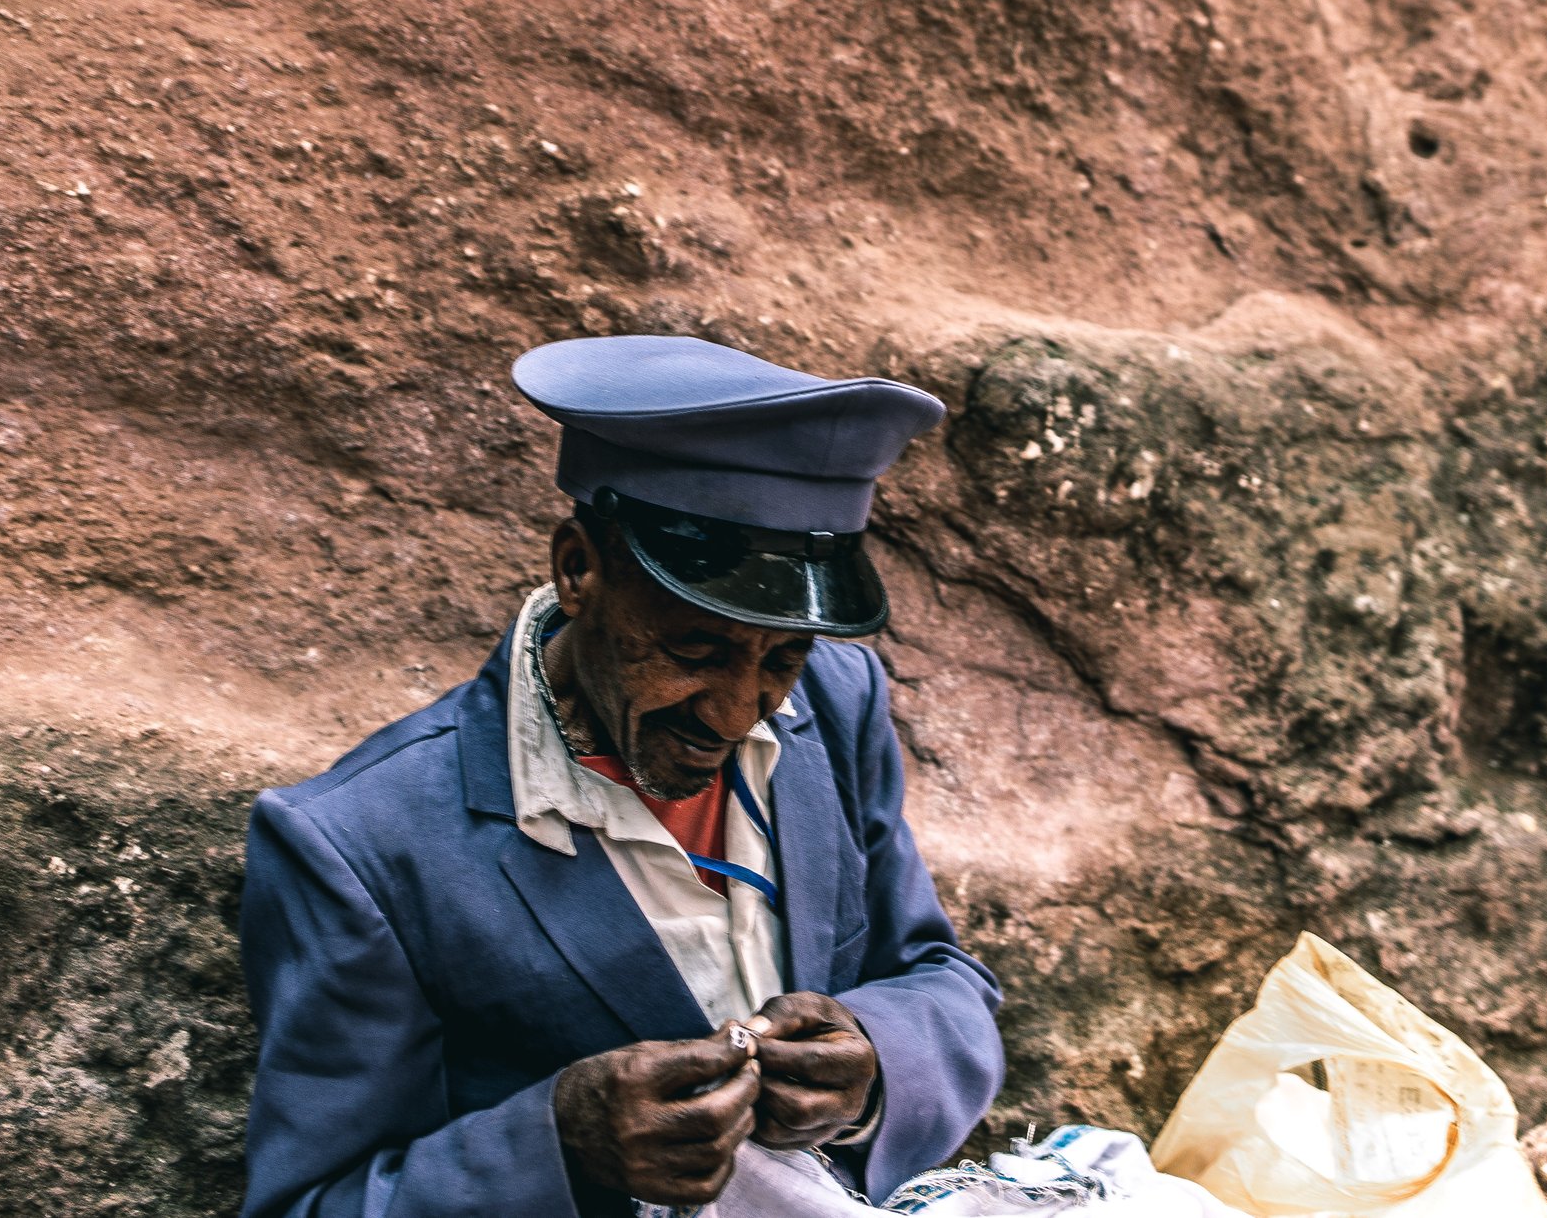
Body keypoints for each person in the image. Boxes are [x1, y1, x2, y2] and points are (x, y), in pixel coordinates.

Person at [238, 335, 1004, 1218]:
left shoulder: (836, 701)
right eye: (694, 648)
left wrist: (876, 1057)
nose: (737, 710)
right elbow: (311, 1204)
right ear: (578, 569)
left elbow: (942, 977)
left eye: (784, 657)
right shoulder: (362, 845)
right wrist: (561, 1145)